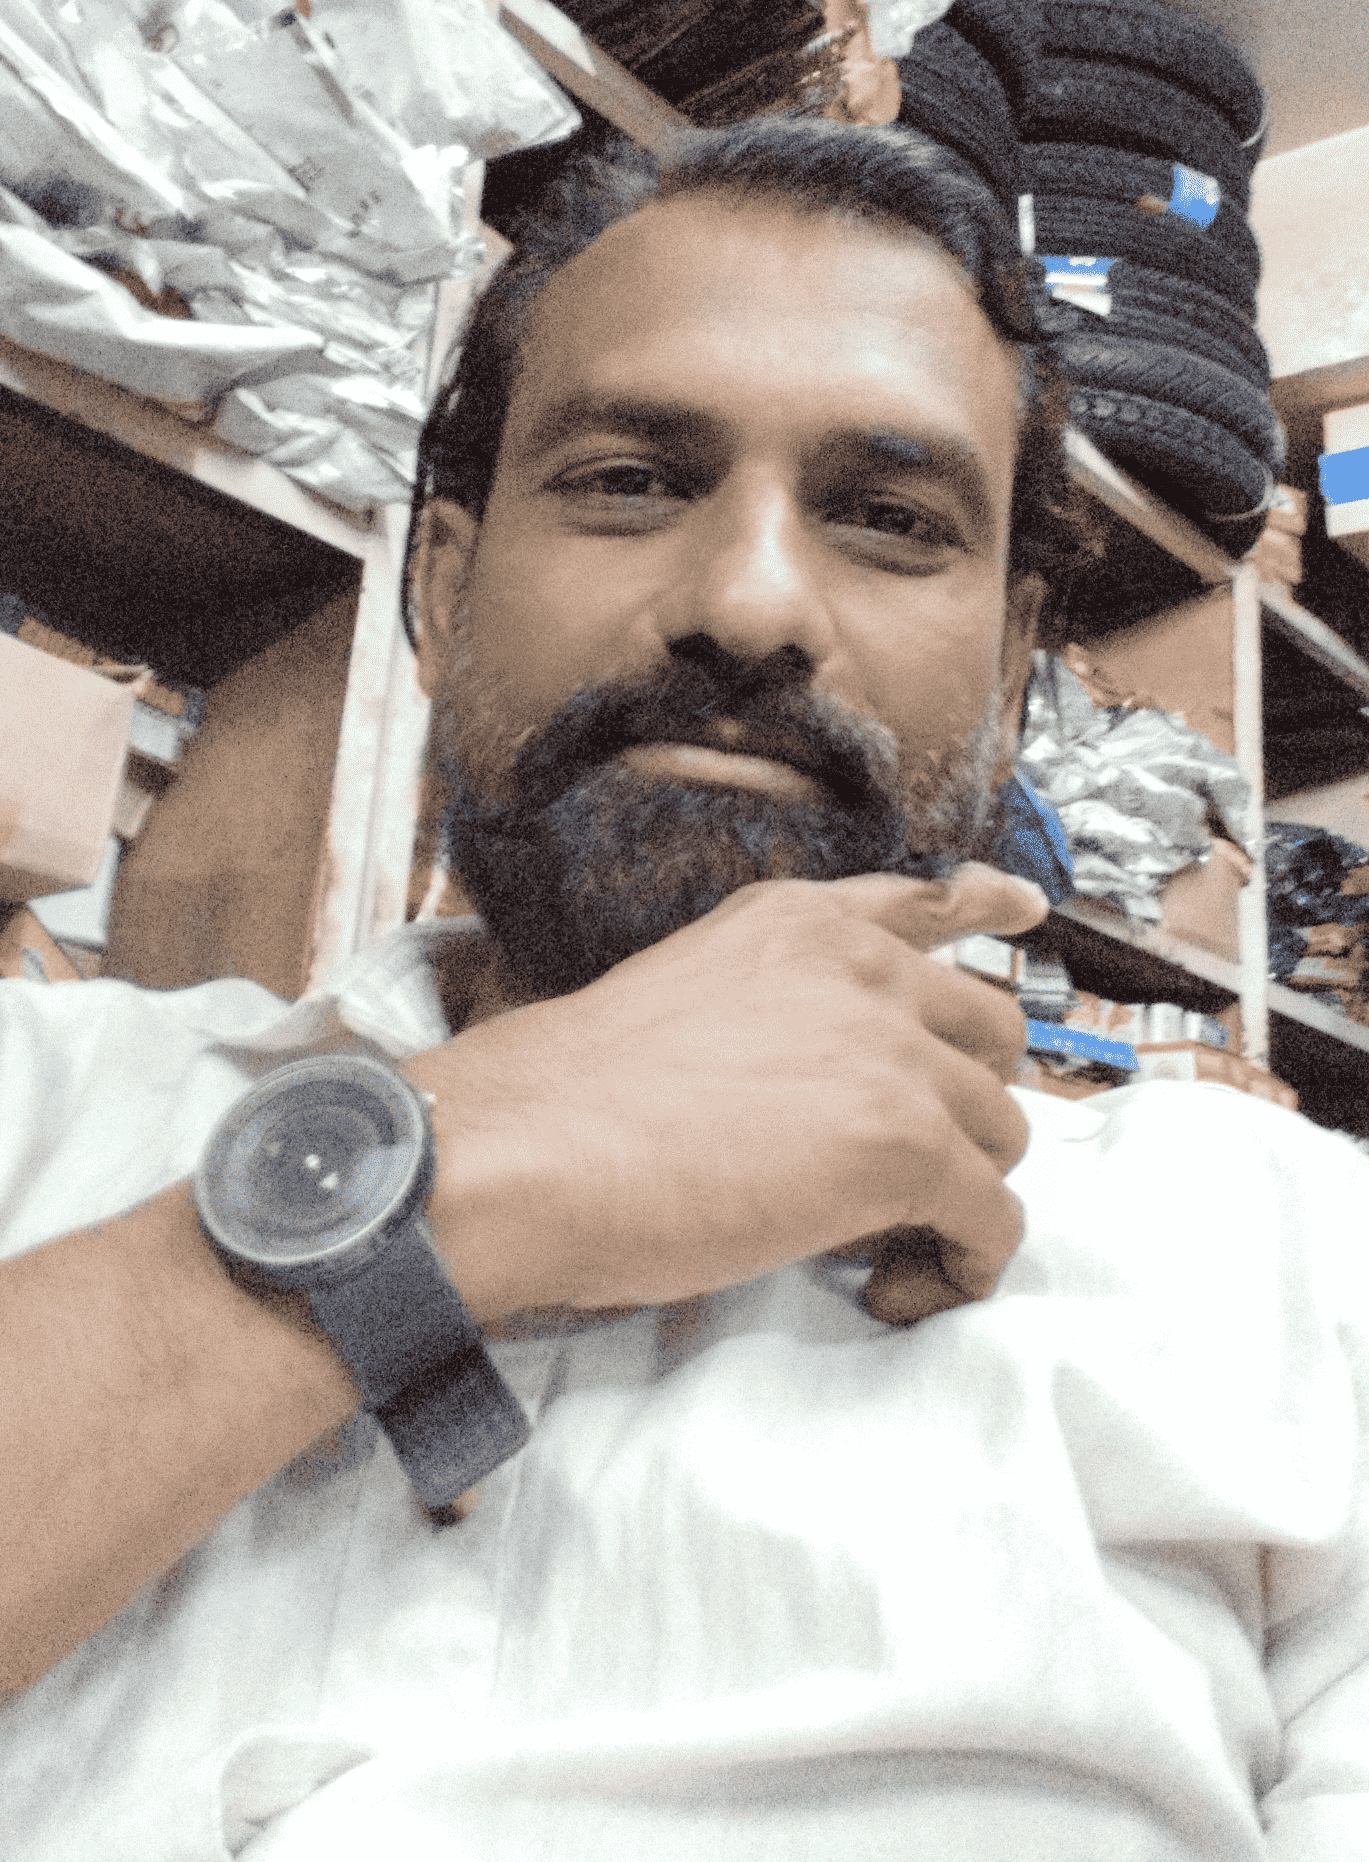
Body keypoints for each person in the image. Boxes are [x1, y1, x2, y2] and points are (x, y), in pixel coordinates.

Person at [1, 115, 1366, 1862]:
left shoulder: (1293, 1275)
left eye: (890, 519)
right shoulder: (39, 1101)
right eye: (632, 481)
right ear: (444, 586)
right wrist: (450, 1170)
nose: (748, 602)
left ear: (1017, 661)